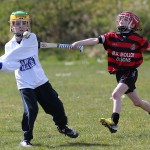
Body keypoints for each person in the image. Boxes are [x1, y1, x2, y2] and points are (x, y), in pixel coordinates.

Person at [1, 11, 78, 147]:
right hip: (25, 84)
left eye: (24, 23)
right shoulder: (9, 46)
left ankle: (63, 127)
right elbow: (11, 64)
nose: (21, 26)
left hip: (40, 81)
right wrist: (3, 65)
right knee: (31, 110)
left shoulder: (32, 39)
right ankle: (26, 139)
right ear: (12, 26)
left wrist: (3, 61)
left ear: (28, 25)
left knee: (57, 106)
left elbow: (17, 54)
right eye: (17, 23)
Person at [72, 11, 150, 133]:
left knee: (116, 94)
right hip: (119, 74)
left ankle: (114, 123)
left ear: (132, 24)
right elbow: (94, 40)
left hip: (130, 72)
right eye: (120, 19)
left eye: (124, 20)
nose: (121, 21)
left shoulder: (137, 39)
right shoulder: (111, 36)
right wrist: (79, 43)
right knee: (137, 102)